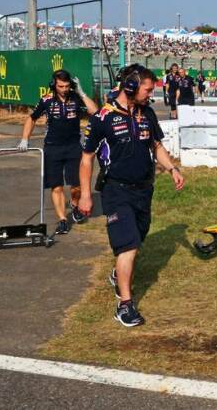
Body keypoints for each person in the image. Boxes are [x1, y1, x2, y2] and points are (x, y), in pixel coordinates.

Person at [78, 65, 184, 328]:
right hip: (116, 190)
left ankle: (118, 273)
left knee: (137, 238)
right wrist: (85, 196)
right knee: (128, 246)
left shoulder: (147, 113)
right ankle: (125, 304)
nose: (151, 95)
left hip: (144, 189)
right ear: (131, 87)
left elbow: (156, 145)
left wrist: (171, 168)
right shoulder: (103, 117)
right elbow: (87, 158)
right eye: (148, 90)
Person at [19, 69, 99, 234]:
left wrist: (81, 92)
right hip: (52, 148)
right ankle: (62, 219)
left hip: (73, 147)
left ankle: (74, 205)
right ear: (53, 85)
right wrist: (25, 138)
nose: (64, 89)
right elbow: (32, 118)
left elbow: (95, 112)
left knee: (76, 186)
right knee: (56, 187)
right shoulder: (46, 100)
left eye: (67, 86)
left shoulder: (76, 98)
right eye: (61, 86)